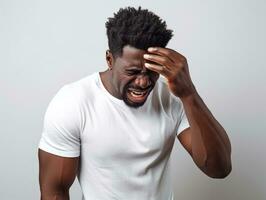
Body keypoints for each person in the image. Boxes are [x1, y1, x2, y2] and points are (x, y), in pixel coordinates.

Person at [38, 6, 232, 200]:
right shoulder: (73, 103)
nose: (143, 82)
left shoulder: (172, 96)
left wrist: (189, 93)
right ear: (109, 60)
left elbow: (219, 168)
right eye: (132, 72)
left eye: (150, 72)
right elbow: (54, 191)